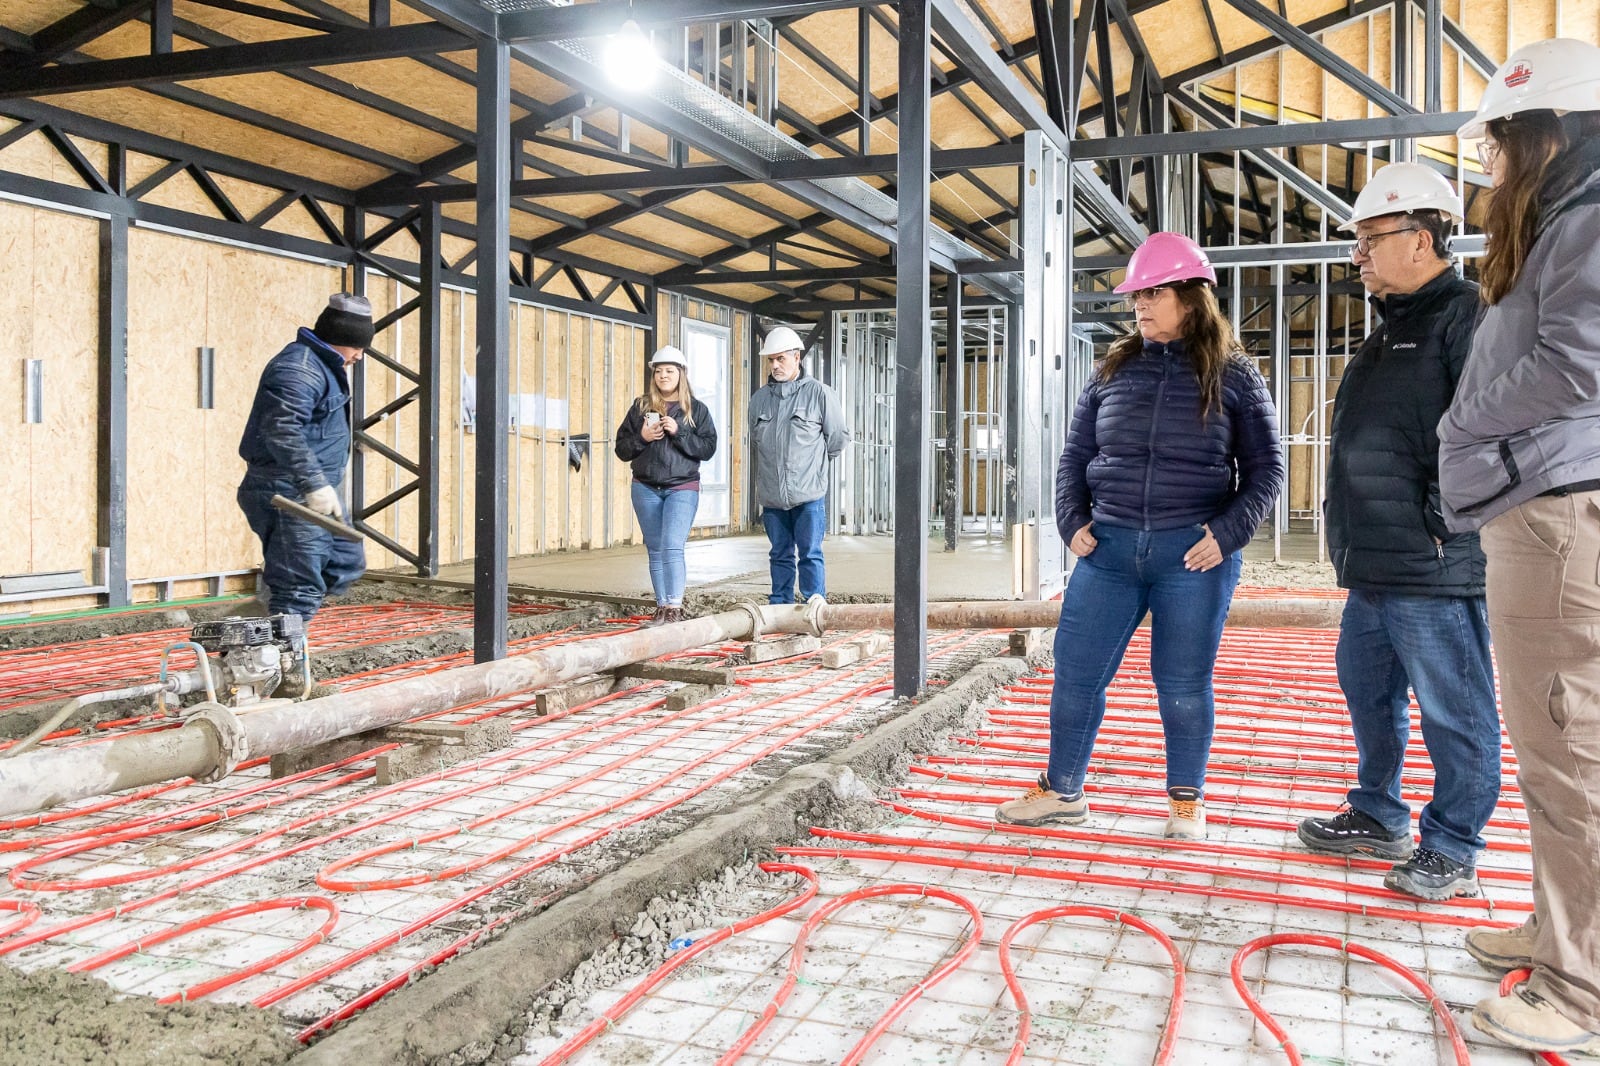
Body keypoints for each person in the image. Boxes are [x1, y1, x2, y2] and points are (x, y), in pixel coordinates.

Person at [996, 232, 1284, 841]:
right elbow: (1075, 455)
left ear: (1191, 295)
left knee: (1181, 683)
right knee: (1075, 675)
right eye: (1136, 297)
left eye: (1153, 294)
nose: (1140, 306)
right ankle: (1062, 791)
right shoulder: (1114, 368)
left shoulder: (1234, 375)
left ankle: (1186, 800)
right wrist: (1072, 521)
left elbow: (1267, 470)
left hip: (1193, 557)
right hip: (1109, 553)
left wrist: (1229, 533)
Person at [1436, 37, 1600, 1056]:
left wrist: (1463, 425)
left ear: (1541, 134)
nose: (1490, 168)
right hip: (1538, 504)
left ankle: (1578, 991)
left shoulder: (1586, 218)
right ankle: (1556, 931)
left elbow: (1574, 364)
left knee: (1569, 748)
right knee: (1553, 749)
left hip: (1553, 509)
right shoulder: (1567, 222)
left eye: (1497, 146)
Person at [1294, 163, 1499, 901]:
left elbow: (1484, 429)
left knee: (1456, 706)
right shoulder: (1389, 334)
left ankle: (1455, 845)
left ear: (1422, 239)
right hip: (1375, 566)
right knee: (1369, 694)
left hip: (1432, 561)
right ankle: (1380, 813)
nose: (1360, 257)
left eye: (1370, 241)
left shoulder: (1467, 316)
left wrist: (1443, 520)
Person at [236, 292, 371, 694]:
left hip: (315, 490)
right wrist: (312, 483)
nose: (360, 356)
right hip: (289, 491)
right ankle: (281, 673)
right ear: (340, 336)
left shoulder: (324, 365)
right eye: (359, 346)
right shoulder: (299, 370)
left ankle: (260, 623)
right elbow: (282, 429)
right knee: (300, 584)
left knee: (346, 561)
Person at [614, 345, 718, 625]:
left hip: (681, 487)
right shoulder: (639, 408)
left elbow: (707, 449)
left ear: (680, 374)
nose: (663, 376)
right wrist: (643, 438)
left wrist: (679, 431)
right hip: (645, 487)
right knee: (656, 548)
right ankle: (662, 606)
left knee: (672, 545)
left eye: (669, 371)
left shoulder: (696, 409)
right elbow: (622, 449)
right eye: (658, 371)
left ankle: (675, 607)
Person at [749, 325, 849, 604]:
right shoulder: (759, 400)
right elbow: (756, 442)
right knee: (779, 553)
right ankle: (779, 605)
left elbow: (838, 438)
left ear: (797, 358)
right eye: (771, 359)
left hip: (808, 494)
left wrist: (814, 466)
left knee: (810, 552)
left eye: (781, 358)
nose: (775, 365)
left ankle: (814, 605)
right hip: (772, 496)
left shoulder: (819, 394)